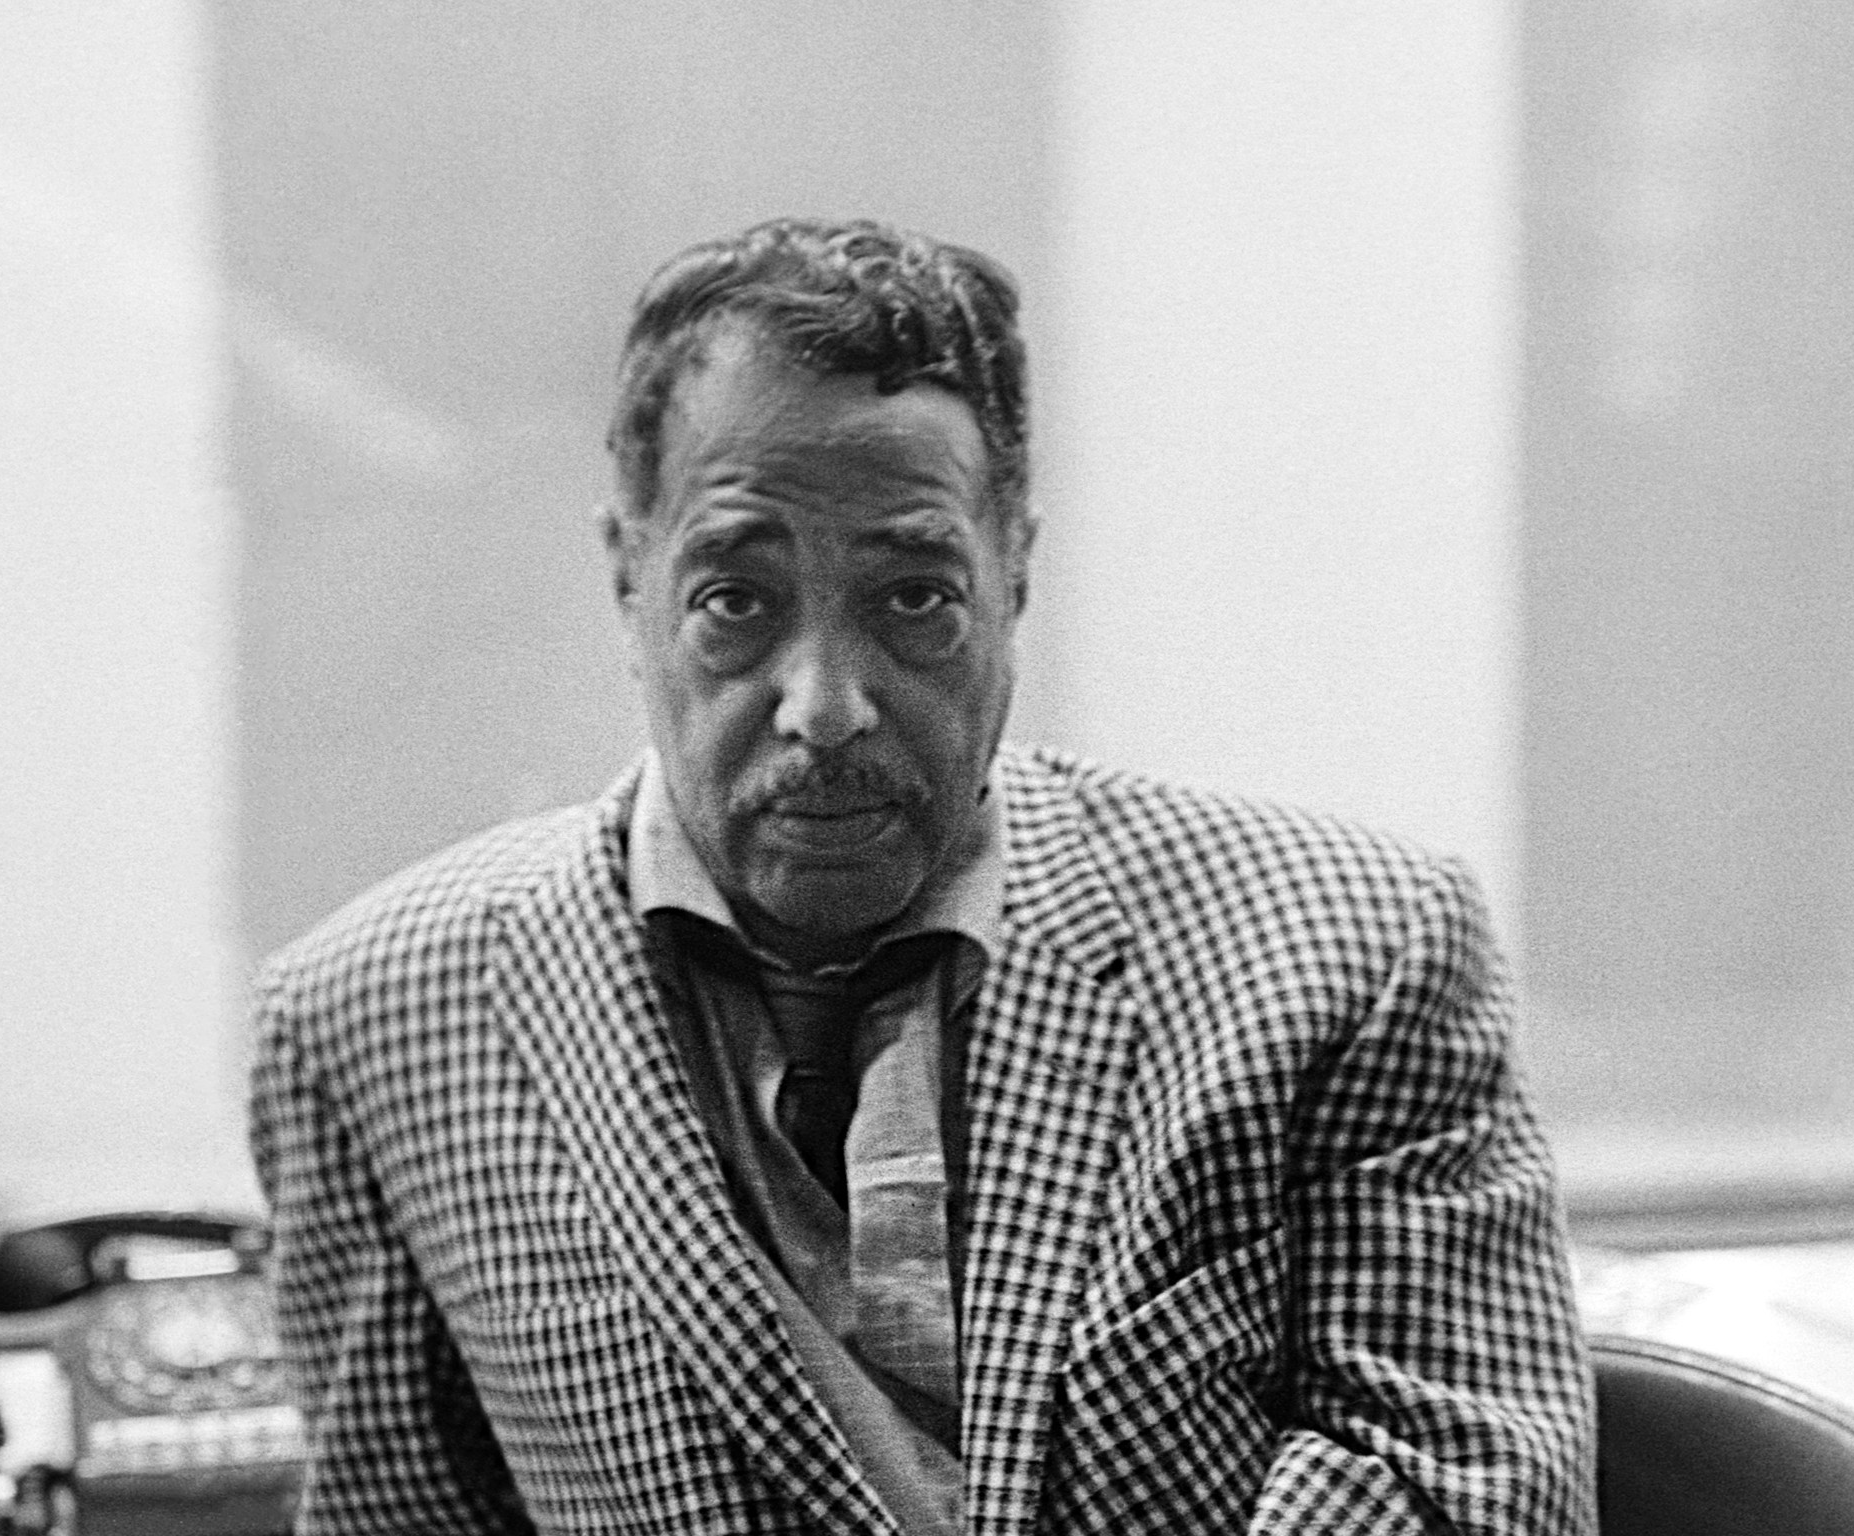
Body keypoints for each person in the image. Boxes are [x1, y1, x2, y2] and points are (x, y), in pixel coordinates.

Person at [249, 218, 1597, 1536]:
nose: (826, 708)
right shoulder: (377, 1023)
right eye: (736, 601)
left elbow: (1476, 1499)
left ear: (1014, 575)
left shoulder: (1351, 956)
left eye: (913, 599)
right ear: (628, 578)